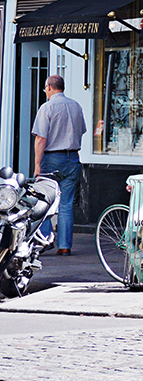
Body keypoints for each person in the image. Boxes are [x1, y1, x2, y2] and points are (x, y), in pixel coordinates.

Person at [32, 75, 86, 256]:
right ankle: (64, 246)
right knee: (66, 204)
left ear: (48, 87)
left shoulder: (46, 107)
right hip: (72, 159)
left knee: (44, 200)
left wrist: (37, 165)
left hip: (52, 159)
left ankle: (46, 238)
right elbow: (81, 131)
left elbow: (41, 138)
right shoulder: (76, 106)